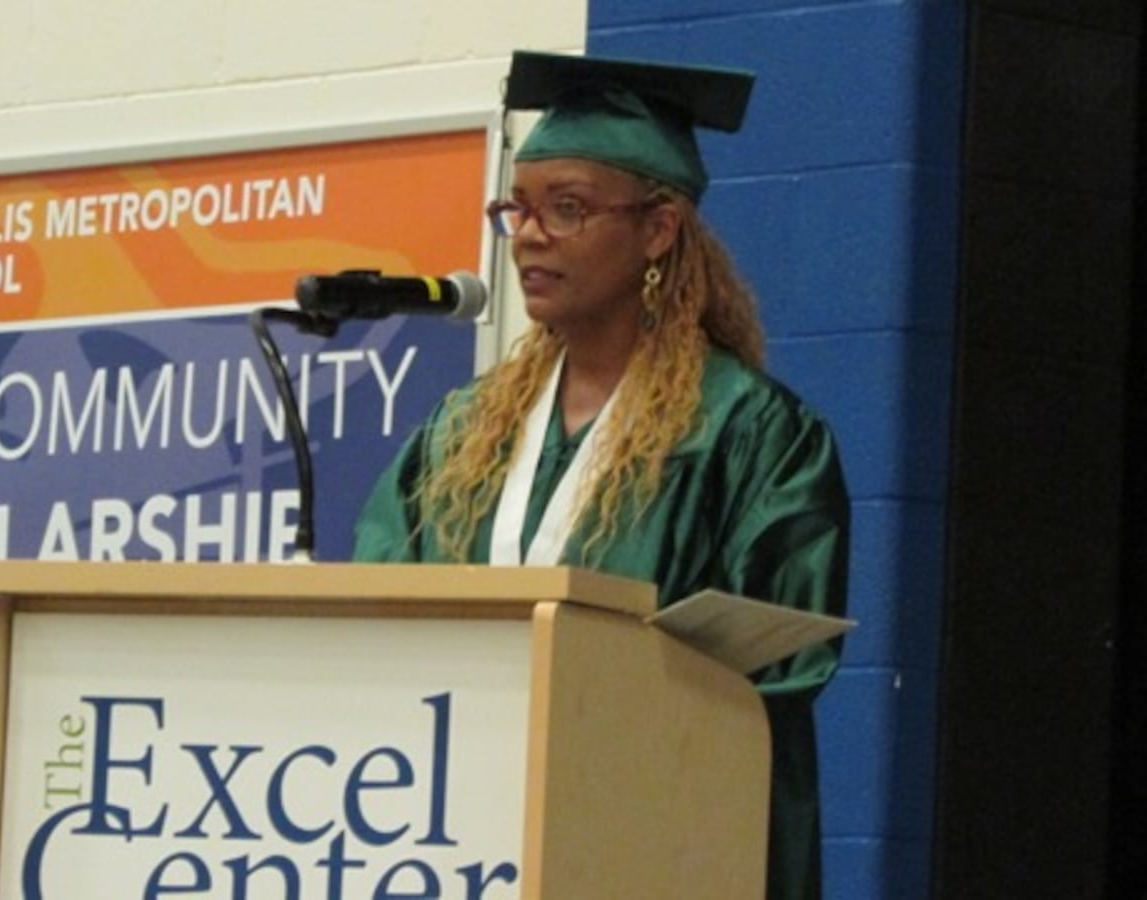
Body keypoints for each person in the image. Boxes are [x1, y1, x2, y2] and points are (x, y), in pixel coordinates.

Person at [353, 50, 849, 900]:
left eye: (569, 209)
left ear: (658, 229)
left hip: (662, 841)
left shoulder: (749, 432)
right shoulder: (464, 431)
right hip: (460, 832)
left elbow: (778, 660)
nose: (531, 234)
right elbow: (382, 605)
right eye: (519, 208)